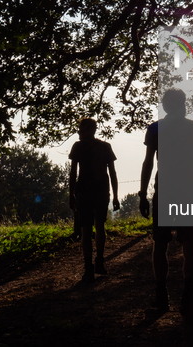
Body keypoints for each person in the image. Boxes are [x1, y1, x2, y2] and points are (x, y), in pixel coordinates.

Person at [139, 88, 193, 324]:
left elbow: (148, 162)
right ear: (183, 104)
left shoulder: (155, 128)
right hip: (190, 191)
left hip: (165, 192)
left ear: (165, 105)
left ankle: (161, 295)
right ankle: (188, 298)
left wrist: (143, 193)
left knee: (160, 244)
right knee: (190, 246)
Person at [69, 118, 120, 283]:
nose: (78, 132)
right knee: (99, 225)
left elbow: (72, 173)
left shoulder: (78, 147)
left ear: (87, 130)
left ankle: (88, 267)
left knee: (86, 229)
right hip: (101, 190)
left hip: (85, 191)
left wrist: (71, 194)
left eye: (80, 129)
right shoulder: (105, 147)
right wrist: (115, 195)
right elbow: (112, 173)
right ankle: (98, 260)